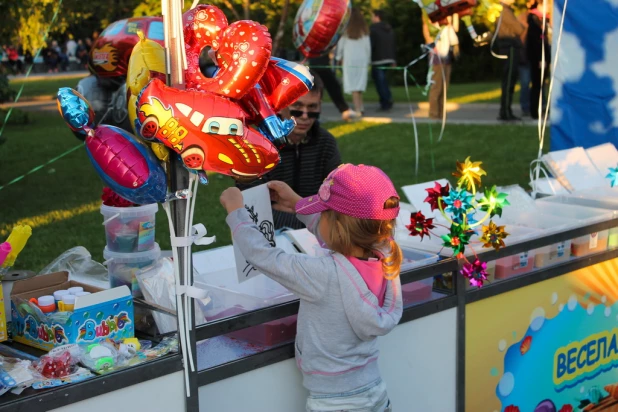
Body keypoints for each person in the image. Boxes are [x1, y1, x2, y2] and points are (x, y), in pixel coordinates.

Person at [220, 163, 403, 412]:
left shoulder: (323, 275)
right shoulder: (385, 254)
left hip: (333, 404)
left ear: (337, 226)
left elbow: (264, 257)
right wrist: (297, 203)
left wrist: (236, 212)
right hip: (375, 394)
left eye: (323, 213)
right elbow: (346, 231)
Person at [237, 72, 342, 231]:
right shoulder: (256, 146)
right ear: (279, 105)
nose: (305, 116)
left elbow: (340, 201)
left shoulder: (326, 142)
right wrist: (313, 212)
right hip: (271, 238)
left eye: (312, 107)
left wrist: (298, 207)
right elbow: (252, 211)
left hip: (316, 237)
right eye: (297, 107)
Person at [422, 14, 459, 120]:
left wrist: (455, 15)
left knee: (444, 88)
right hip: (437, 58)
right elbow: (428, 35)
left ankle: (442, 114)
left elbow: (455, 29)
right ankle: (434, 114)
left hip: (447, 58)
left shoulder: (446, 25)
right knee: (436, 87)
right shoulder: (431, 22)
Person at [336, 8, 371, 115]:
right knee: (359, 85)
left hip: (350, 61)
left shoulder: (346, 32)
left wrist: (338, 58)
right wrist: (368, 60)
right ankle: (361, 107)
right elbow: (368, 48)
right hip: (362, 61)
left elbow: (340, 47)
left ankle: (358, 109)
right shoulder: (364, 32)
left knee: (353, 86)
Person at [495, 0, 525, 121]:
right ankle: (506, 112)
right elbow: (518, 29)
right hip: (510, 47)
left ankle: (506, 110)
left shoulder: (501, 11)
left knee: (508, 80)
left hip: (507, 47)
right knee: (509, 81)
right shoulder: (505, 11)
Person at [309, 54, 360, 121]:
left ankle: (344, 109)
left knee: (327, 87)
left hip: (319, 62)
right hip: (319, 63)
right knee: (330, 87)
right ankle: (344, 110)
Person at [527, 0, 551, 120]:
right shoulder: (534, 20)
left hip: (542, 59)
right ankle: (534, 111)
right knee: (537, 85)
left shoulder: (542, 20)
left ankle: (539, 108)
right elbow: (537, 43)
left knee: (540, 85)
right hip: (538, 60)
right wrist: (540, 59)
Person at [370, 10, 396, 111]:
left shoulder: (373, 29)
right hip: (388, 58)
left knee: (380, 82)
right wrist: (393, 59)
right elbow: (393, 44)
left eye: (372, 16)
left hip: (378, 59)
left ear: (377, 17)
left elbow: (371, 45)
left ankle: (386, 101)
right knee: (383, 80)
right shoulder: (388, 28)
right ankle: (387, 98)